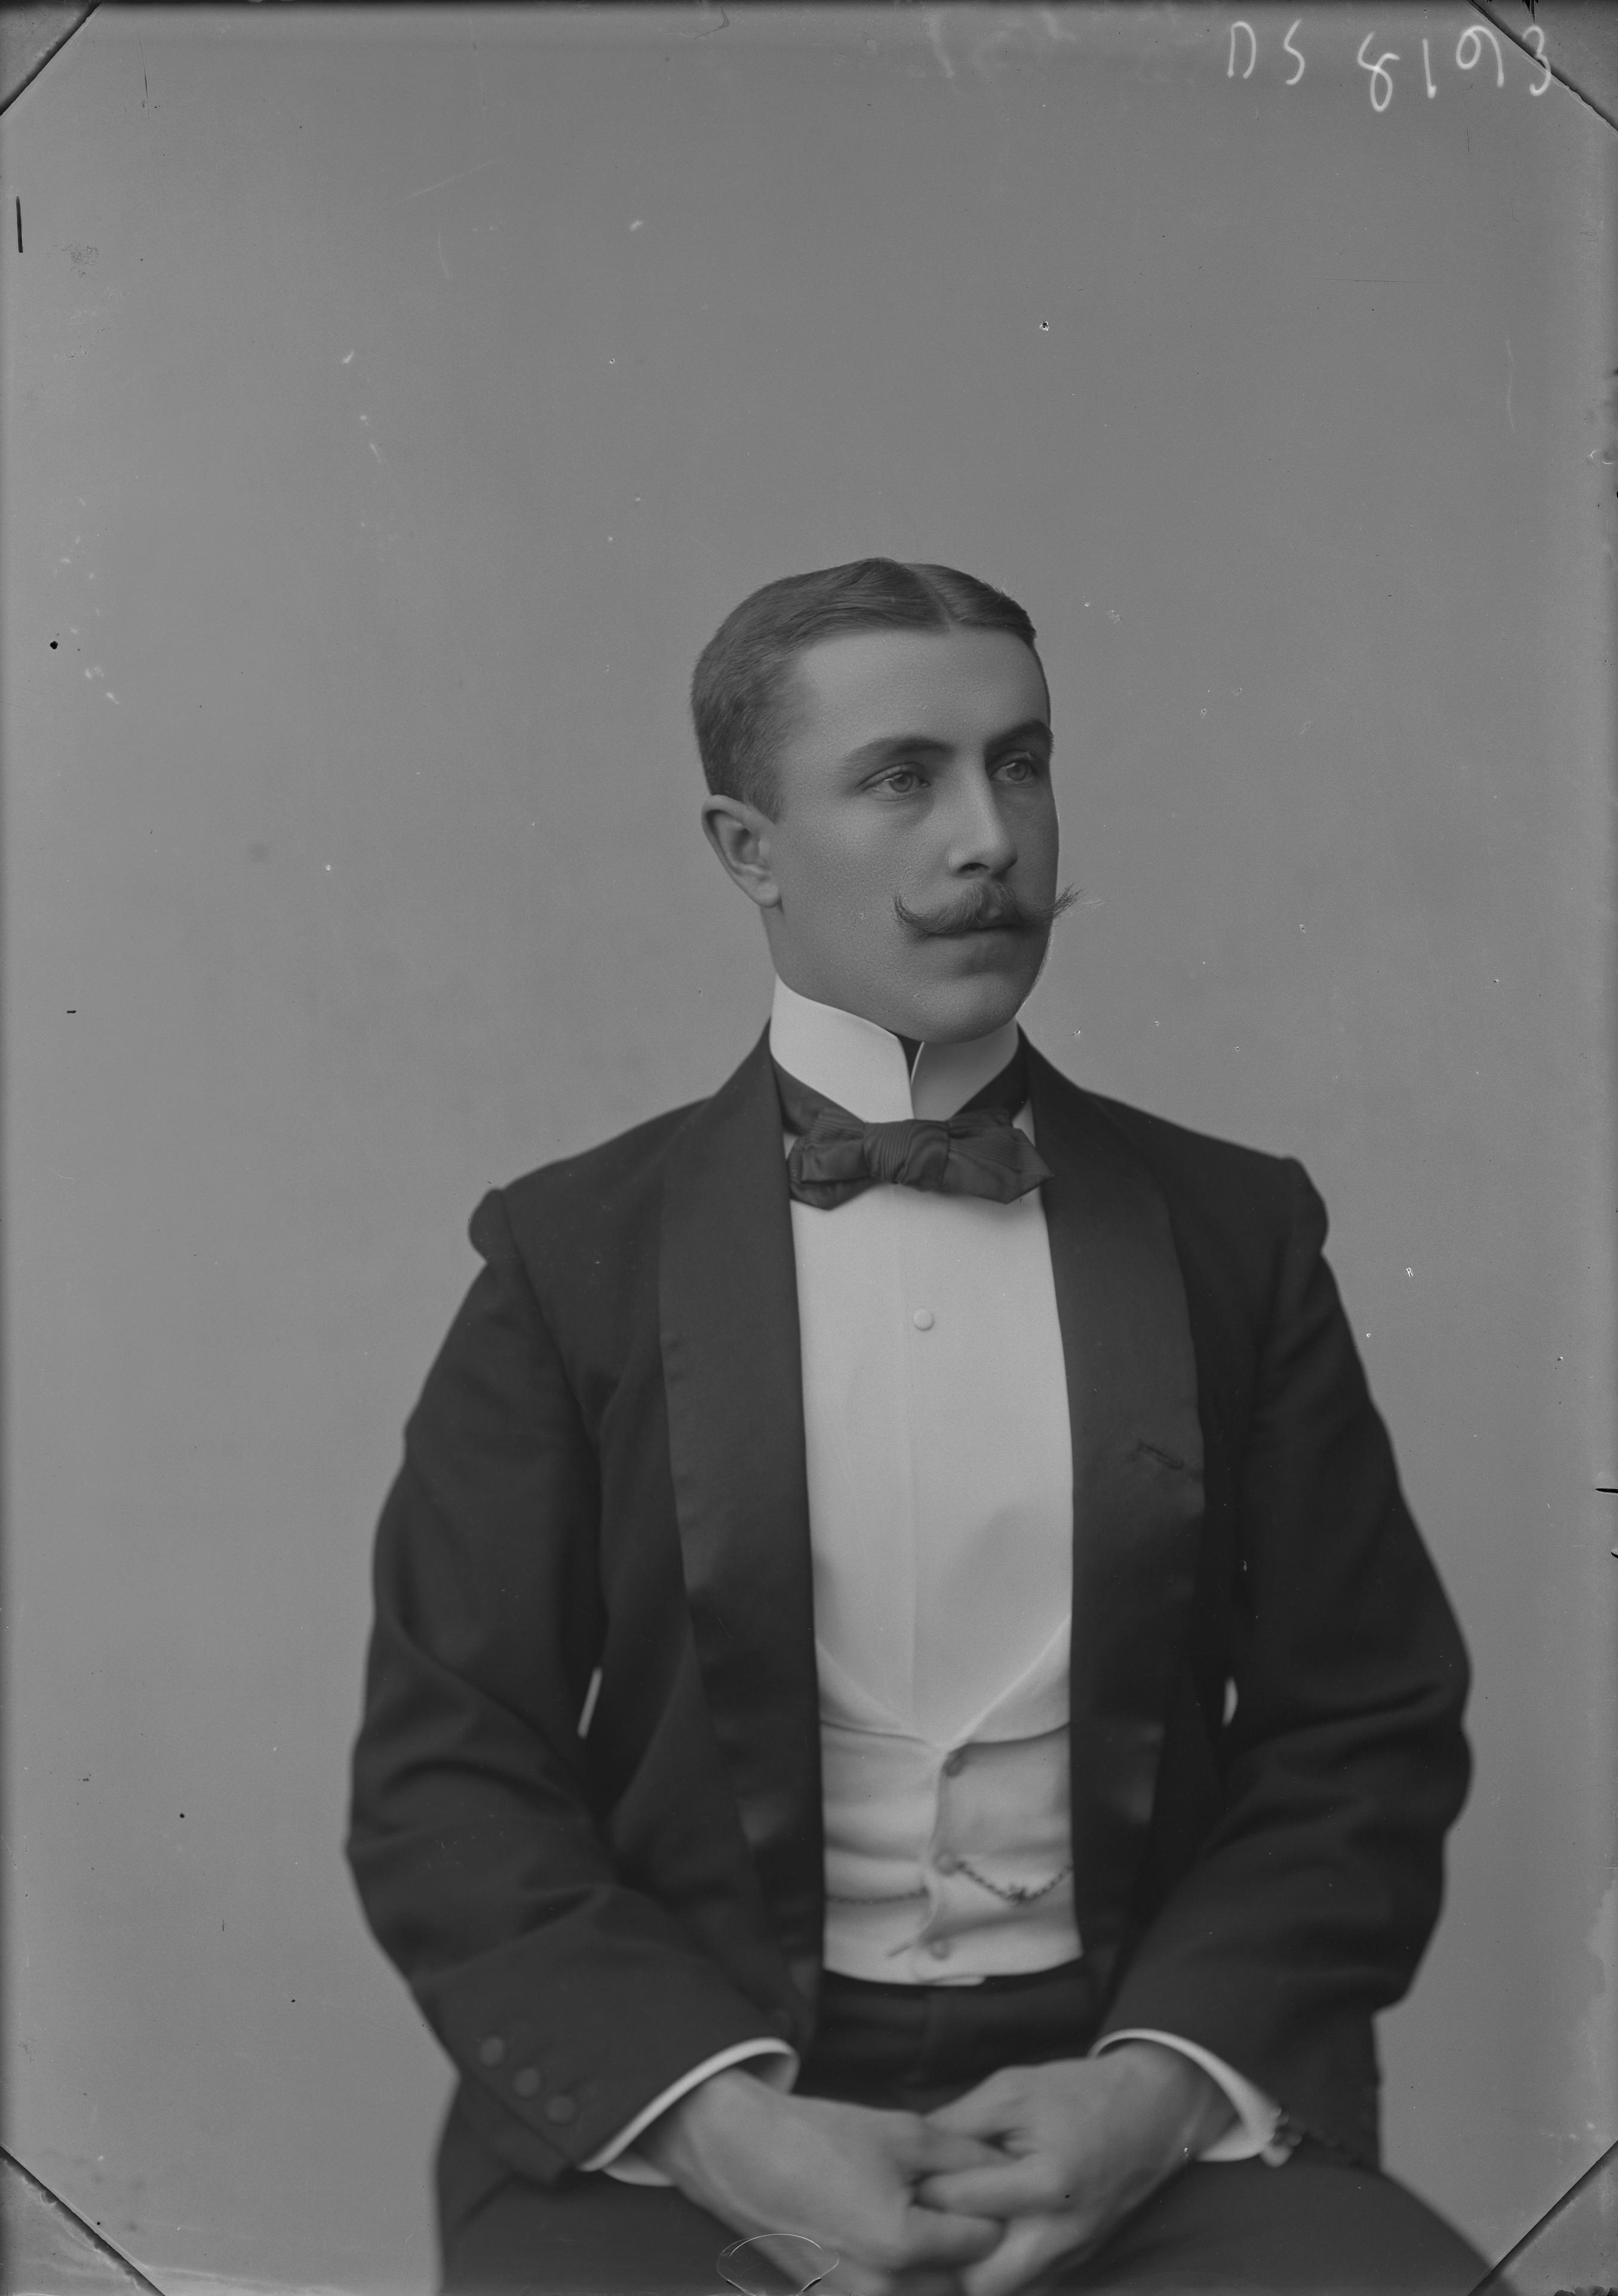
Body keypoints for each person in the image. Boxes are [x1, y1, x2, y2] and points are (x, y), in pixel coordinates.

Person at [346, 560, 1487, 2295]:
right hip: (700, 2113)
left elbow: (1364, 1724)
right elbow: (451, 1770)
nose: (990, 840)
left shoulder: (1233, 1236)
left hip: (1134, 2100)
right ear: (748, 848)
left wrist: (1160, 2087)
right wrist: (719, 2121)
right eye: (903, 777)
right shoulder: (570, 1257)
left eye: (1021, 763)